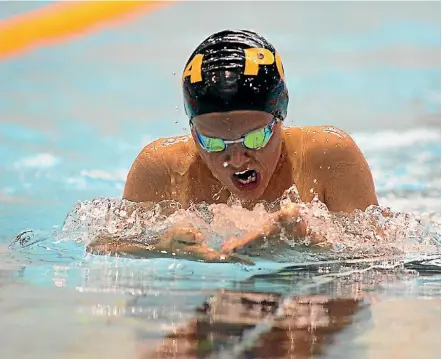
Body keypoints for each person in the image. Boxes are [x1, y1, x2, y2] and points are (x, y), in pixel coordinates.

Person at [87, 29, 378, 262]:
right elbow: (103, 246)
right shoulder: (161, 168)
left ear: (280, 117)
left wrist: (310, 240)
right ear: (192, 130)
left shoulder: (327, 156)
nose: (237, 159)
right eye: (213, 142)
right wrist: (160, 246)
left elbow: (384, 254)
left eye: (255, 138)